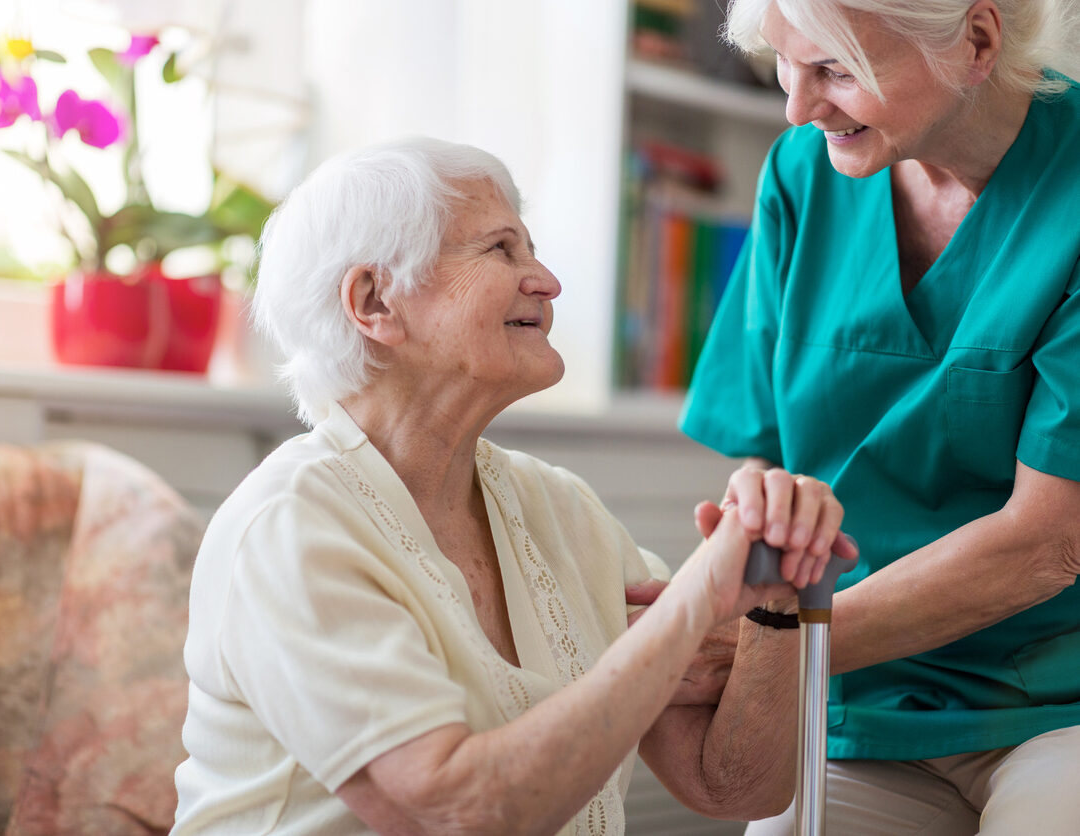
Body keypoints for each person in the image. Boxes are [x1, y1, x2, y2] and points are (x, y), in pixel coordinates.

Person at [170, 136, 856, 835]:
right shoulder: (290, 525)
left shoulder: (561, 508)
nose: (547, 281)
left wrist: (774, 597)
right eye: (501, 250)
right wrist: (697, 599)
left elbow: (734, 788)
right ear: (375, 301)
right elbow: (454, 813)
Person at [678, 0, 1080, 831]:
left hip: (1054, 699)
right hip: (852, 697)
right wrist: (752, 555)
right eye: (786, 66)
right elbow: (760, 461)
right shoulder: (800, 172)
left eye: (835, 69)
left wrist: (772, 639)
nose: (797, 107)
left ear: (974, 42)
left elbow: (1048, 542)